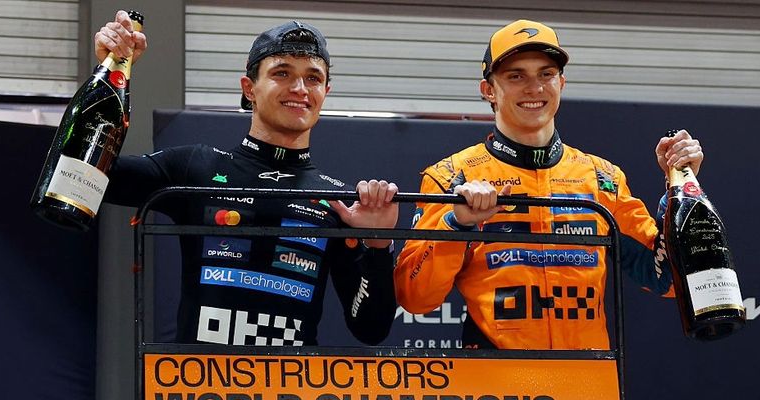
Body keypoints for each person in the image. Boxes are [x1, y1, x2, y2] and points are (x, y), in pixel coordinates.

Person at [394, 19, 704, 350]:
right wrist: (455, 225)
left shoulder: (602, 178)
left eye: (546, 74)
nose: (535, 88)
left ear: (562, 83)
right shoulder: (451, 176)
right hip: (494, 390)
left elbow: (668, 278)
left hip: (587, 385)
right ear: (488, 90)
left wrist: (680, 188)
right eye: (516, 76)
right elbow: (415, 298)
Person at [97, 12, 398, 346]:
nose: (299, 88)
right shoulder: (196, 168)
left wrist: (378, 244)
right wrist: (112, 71)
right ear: (249, 88)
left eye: (313, 78)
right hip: (193, 392)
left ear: (325, 92)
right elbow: (79, 177)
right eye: (282, 73)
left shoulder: (337, 201)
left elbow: (371, 329)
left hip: (292, 395)